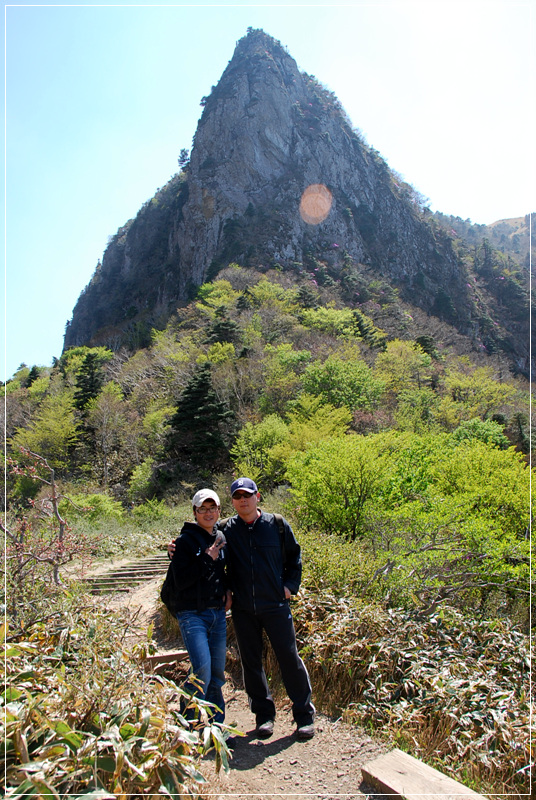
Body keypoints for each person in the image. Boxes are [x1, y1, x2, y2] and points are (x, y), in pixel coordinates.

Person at [221, 477, 315, 740]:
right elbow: (201, 545)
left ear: (257, 496)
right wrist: (175, 548)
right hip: (242, 609)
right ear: (232, 501)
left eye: (247, 495)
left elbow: (294, 558)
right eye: (238, 496)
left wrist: (289, 587)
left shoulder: (277, 525)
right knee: (251, 663)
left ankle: (304, 716)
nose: (243, 500)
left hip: (275, 605)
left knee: (289, 658)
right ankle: (264, 717)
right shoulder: (225, 530)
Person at [169, 488, 229, 724]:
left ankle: (216, 725)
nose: (207, 513)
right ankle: (189, 721)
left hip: (217, 613)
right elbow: (181, 580)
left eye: (212, 508)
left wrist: (227, 591)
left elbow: (223, 571)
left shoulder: (221, 538)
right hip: (192, 613)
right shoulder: (184, 541)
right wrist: (206, 558)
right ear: (194, 512)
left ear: (218, 511)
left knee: (216, 673)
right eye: (202, 509)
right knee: (202, 669)